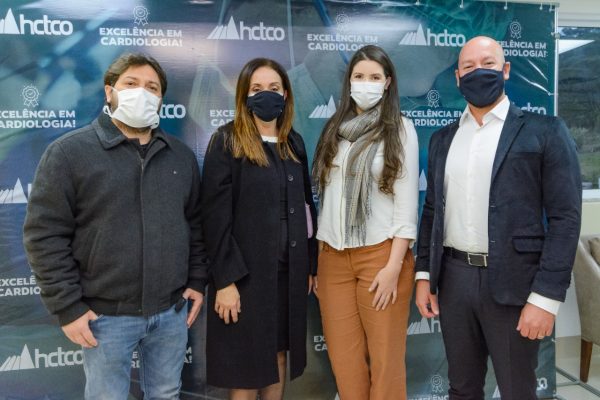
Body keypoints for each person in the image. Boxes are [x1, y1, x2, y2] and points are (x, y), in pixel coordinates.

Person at [23, 53, 208, 400]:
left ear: (161, 99)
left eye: (152, 87)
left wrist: (197, 280)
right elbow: (44, 236)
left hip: (170, 313)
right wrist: (68, 308)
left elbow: (195, 224)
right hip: (104, 317)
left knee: (166, 393)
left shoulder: (180, 156)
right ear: (109, 91)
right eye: (131, 83)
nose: (142, 92)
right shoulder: (68, 153)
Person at [415, 36, 582, 400]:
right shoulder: (442, 139)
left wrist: (546, 298)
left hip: (515, 284)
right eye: (469, 66)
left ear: (505, 70)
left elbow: (565, 219)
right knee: (462, 388)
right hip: (454, 281)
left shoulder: (545, 131)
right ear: (458, 77)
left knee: (517, 390)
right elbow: (431, 212)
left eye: (488, 63)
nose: (479, 72)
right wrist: (424, 274)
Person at [200, 58, 318, 400]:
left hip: (288, 275)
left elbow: (307, 208)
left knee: (278, 356)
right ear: (244, 95)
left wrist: (309, 266)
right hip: (244, 278)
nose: (266, 94)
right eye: (257, 88)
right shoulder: (227, 141)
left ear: (286, 94)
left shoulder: (293, 143)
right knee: (246, 370)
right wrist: (225, 281)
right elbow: (214, 219)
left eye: (274, 88)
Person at [312, 45, 419, 400]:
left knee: (386, 362)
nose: (366, 83)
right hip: (333, 258)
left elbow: (406, 203)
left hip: (381, 258)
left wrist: (393, 266)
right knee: (345, 362)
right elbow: (327, 198)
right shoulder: (334, 129)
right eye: (359, 76)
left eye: (374, 77)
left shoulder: (400, 129)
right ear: (349, 82)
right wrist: (320, 257)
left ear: (387, 83)